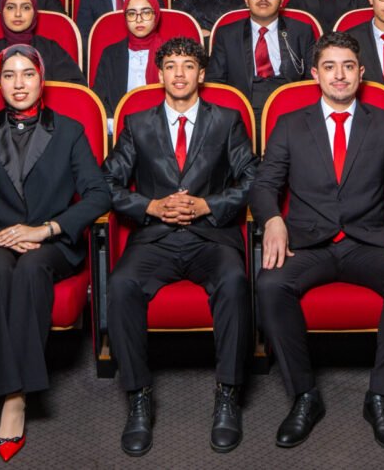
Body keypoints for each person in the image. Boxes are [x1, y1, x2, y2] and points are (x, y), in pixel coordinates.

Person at [0, 45, 112, 462]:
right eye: (9, 75)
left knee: (30, 269)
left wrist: (45, 229)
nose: (18, 84)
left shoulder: (68, 130)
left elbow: (99, 194)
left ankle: (13, 396)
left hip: (49, 244)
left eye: (27, 74)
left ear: (41, 79)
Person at [252, 31, 384, 451]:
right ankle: (304, 395)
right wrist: (273, 219)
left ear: (361, 73)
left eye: (348, 66)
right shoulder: (291, 124)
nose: (340, 75)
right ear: (316, 74)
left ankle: (381, 397)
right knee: (271, 284)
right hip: (309, 243)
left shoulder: (383, 123)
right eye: (330, 67)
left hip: (367, 242)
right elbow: (263, 185)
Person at [103, 37, 259, 455]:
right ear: (159, 74)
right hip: (156, 237)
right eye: (170, 65)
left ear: (201, 74)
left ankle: (228, 393)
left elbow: (253, 179)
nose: (178, 73)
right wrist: (150, 205)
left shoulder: (227, 120)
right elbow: (106, 182)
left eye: (188, 65)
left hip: (211, 235)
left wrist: (209, 204)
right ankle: (138, 396)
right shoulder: (137, 123)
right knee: (120, 286)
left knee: (234, 282)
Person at [206, 0, 316, 115]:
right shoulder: (227, 35)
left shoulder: (301, 31)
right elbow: (215, 82)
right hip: (243, 107)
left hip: (291, 106)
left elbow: (313, 78)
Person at [90, 0, 167, 115]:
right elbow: (99, 97)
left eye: (146, 13)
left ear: (156, 16)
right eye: (131, 14)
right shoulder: (110, 54)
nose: (139, 20)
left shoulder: (170, 52)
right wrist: (113, 125)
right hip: (120, 123)